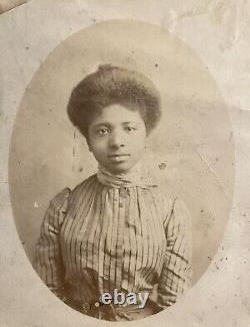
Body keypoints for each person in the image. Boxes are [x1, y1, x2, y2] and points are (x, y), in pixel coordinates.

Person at [33, 64, 192, 321]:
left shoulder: (169, 211)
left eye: (129, 128)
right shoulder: (64, 206)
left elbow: (176, 307)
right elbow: (47, 295)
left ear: (145, 134)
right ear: (88, 140)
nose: (117, 141)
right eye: (102, 130)